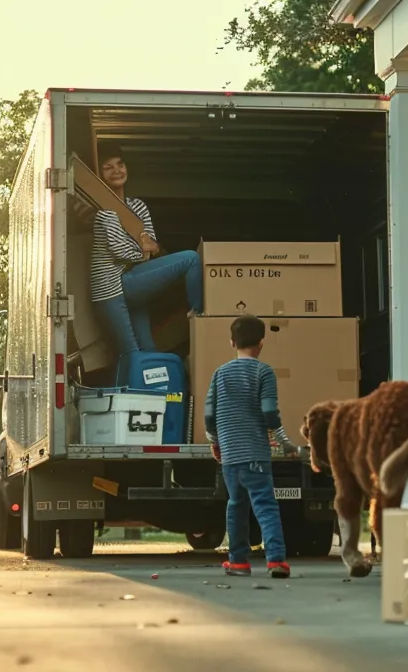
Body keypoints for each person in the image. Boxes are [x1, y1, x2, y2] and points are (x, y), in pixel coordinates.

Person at [203, 316, 300, 578]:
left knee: (236, 505)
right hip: (255, 453)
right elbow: (269, 411)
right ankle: (276, 561)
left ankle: (238, 563)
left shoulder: (220, 373)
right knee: (265, 505)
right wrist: (286, 443)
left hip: (231, 455)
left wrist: (215, 442)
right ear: (262, 343)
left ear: (232, 342)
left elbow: (209, 414)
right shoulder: (264, 372)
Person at [89, 143, 204, 360]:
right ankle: (198, 316)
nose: (116, 170)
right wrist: (142, 246)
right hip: (110, 290)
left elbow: (153, 247)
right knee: (131, 353)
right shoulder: (104, 212)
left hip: (132, 283)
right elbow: (122, 251)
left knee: (148, 351)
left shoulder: (138, 206)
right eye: (108, 167)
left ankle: (197, 317)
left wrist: (148, 247)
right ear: (99, 176)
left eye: (120, 164)